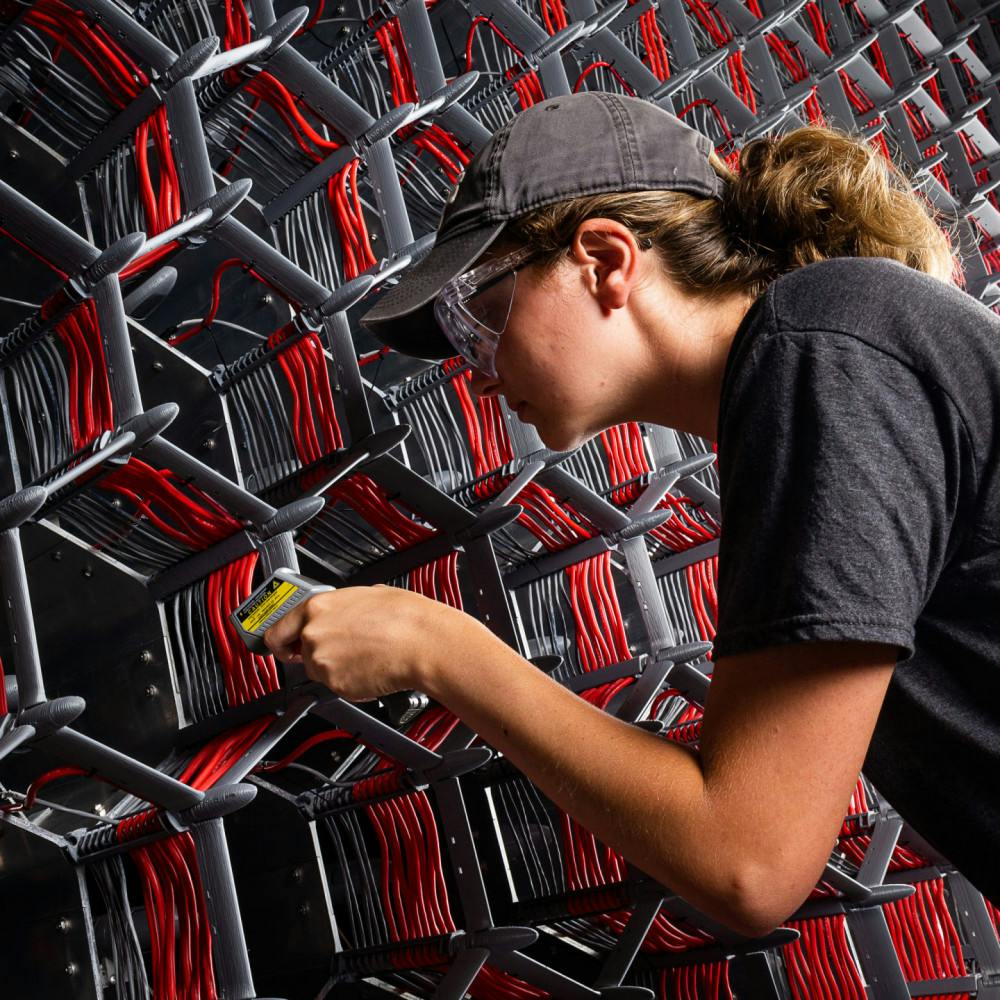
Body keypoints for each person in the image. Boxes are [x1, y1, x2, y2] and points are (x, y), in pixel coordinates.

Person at [265, 92, 1000, 934]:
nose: (476, 367)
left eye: (480, 315)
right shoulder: (813, 373)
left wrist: (442, 649)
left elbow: (746, 860)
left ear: (604, 260)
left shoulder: (827, 342)